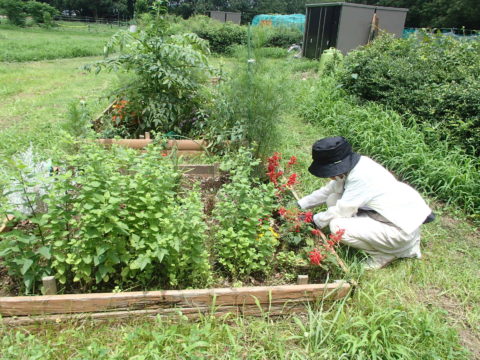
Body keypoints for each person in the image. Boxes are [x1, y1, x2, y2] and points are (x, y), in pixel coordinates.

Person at [298, 136, 434, 270]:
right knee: (333, 198)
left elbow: (343, 210)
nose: (329, 175)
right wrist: (300, 205)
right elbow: (327, 190)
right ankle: (379, 243)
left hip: (399, 231)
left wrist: (313, 221)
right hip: (385, 218)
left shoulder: (361, 176)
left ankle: (384, 254)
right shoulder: (355, 165)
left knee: (337, 227)